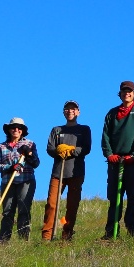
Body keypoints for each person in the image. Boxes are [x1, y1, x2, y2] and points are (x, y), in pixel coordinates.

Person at [101, 81, 134, 238]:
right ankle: (111, 232)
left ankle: (133, 232)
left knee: (133, 195)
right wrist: (109, 154)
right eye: (124, 91)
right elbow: (105, 135)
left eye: (129, 91)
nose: (126, 93)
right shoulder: (112, 113)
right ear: (120, 93)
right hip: (115, 161)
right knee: (114, 196)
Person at [40, 101, 91, 241]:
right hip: (58, 172)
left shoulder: (84, 129)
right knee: (51, 203)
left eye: (73, 109)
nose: (70, 111)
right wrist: (58, 151)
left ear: (78, 112)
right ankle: (47, 236)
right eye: (67, 109)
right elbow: (49, 148)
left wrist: (72, 151)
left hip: (76, 172)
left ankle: (66, 235)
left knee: (72, 205)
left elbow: (86, 148)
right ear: (63, 112)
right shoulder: (56, 130)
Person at [0, 117, 40, 242]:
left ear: (22, 131)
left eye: (19, 128)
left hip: (26, 181)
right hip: (7, 182)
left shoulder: (30, 144)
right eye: (13, 127)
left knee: (24, 209)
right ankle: (3, 239)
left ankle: (23, 239)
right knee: (8, 211)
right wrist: (10, 167)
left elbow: (36, 163)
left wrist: (29, 154)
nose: (16, 130)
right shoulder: (1, 146)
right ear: (8, 130)